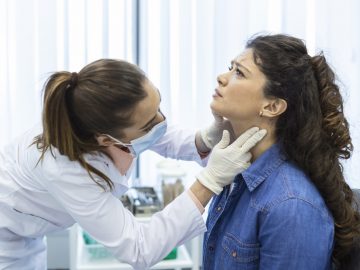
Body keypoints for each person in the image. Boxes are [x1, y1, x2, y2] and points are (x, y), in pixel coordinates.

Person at [0, 58, 266, 269]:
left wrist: (204, 140)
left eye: (159, 106)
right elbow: (139, 250)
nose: (162, 121)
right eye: (151, 123)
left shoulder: (104, 113)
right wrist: (209, 181)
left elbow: (159, 135)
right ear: (105, 139)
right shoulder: (62, 168)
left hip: (29, 232)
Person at [202, 34, 360, 270]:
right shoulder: (234, 173)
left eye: (239, 73)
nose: (222, 78)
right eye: (230, 68)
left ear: (272, 106)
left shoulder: (291, 205)